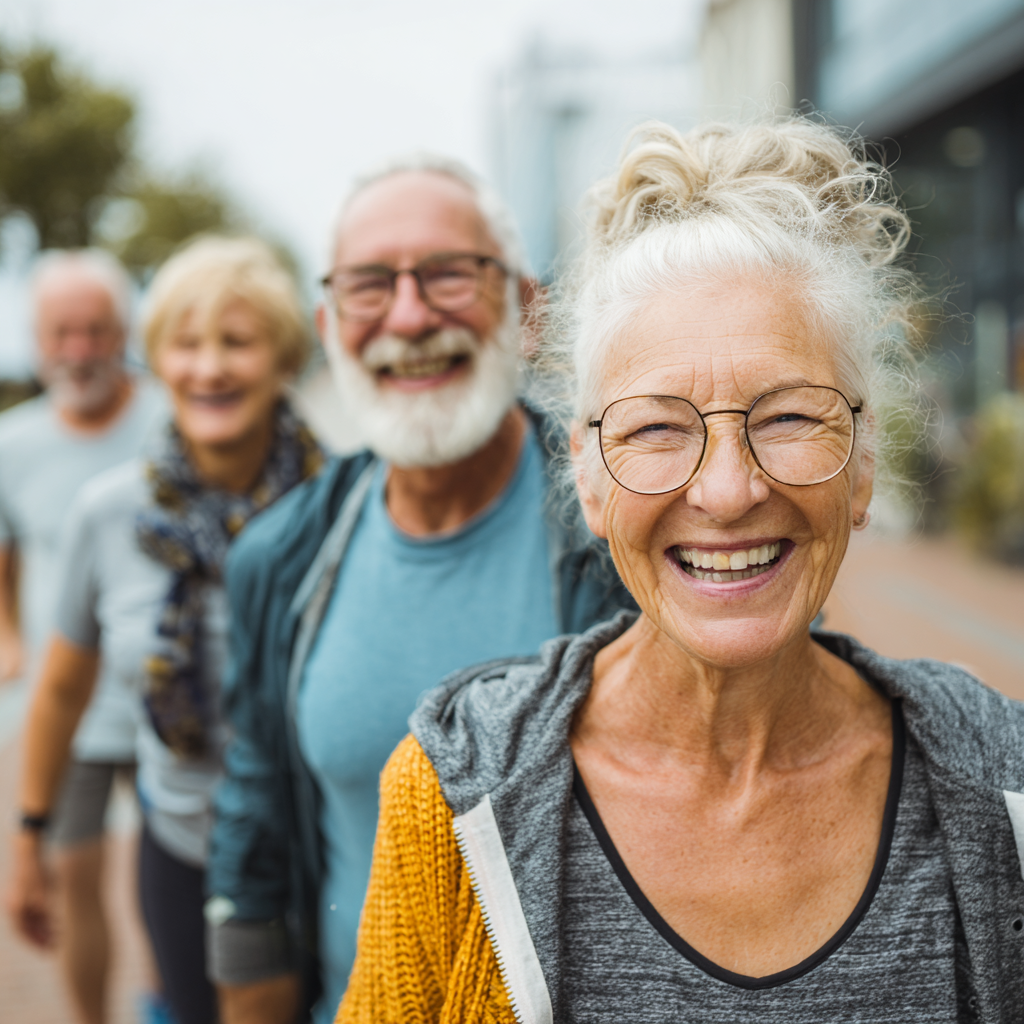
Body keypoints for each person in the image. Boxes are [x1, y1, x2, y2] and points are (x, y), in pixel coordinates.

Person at [338, 119, 1024, 1023]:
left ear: (861, 464)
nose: (729, 490)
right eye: (657, 428)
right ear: (586, 475)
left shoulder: (1002, 785)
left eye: (787, 417)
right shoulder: (450, 797)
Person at [205, 156, 635, 1024]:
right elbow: (254, 829)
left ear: (526, 310)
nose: (408, 315)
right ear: (330, 324)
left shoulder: (630, 535)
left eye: (447, 274)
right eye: (370, 285)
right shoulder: (277, 559)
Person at [6, 236, 322, 1024]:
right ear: (159, 358)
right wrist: (27, 840)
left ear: (284, 358)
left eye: (237, 343)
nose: (208, 368)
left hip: (322, 846)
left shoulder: (343, 504)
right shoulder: (110, 514)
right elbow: (61, 688)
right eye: (186, 344)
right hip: (179, 843)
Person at [0, 249, 166, 1024]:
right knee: (73, 881)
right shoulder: (13, 443)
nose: (78, 350)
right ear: (37, 340)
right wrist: (7, 635)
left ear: (122, 330)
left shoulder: (175, 418)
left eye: (94, 330)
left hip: (175, 705)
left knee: (175, 887)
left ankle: (175, 1006)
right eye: (61, 332)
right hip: (65, 714)